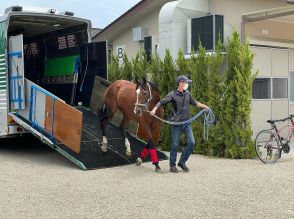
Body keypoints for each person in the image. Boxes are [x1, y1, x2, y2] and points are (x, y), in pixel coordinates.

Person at [150, 75, 209, 173]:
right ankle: (172, 166)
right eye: (186, 82)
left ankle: (182, 162)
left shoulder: (187, 94)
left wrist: (204, 106)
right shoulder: (172, 94)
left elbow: (194, 102)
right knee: (175, 145)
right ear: (180, 83)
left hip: (186, 123)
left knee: (192, 143)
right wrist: (154, 109)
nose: (187, 84)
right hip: (176, 124)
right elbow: (161, 102)